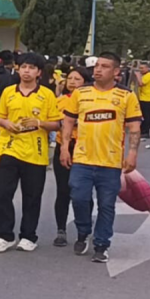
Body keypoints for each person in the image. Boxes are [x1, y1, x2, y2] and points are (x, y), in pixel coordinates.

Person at [61, 52, 142, 263]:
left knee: (106, 205)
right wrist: (64, 147)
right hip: (82, 159)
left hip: (111, 162)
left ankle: (101, 244)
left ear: (116, 72)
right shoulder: (81, 93)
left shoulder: (126, 97)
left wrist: (132, 153)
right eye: (96, 65)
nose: (98, 69)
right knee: (78, 198)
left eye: (104, 66)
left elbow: (134, 127)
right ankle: (83, 231)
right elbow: (68, 121)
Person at [0, 52, 61, 253]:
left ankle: (29, 235)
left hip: (35, 152)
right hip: (9, 148)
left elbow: (56, 124)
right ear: (17, 69)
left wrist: (40, 123)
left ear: (39, 72)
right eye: (23, 67)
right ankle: (4, 235)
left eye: (31, 68)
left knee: (32, 196)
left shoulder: (47, 94)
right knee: (2, 193)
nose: (26, 71)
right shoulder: (8, 91)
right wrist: (6, 123)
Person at [52, 67, 89, 247]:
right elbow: (59, 122)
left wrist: (73, 122)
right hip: (64, 147)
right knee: (63, 191)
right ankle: (61, 230)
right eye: (70, 78)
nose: (72, 82)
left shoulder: (91, 100)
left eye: (78, 79)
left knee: (83, 192)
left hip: (86, 148)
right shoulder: (60, 101)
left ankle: (84, 232)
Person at [137, 62, 150, 146]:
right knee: (142, 115)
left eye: (142, 68)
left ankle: (146, 132)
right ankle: (142, 130)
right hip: (142, 97)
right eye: (140, 68)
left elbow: (141, 83)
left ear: (147, 68)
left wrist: (137, 76)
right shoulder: (144, 75)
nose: (141, 70)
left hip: (147, 98)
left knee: (146, 115)